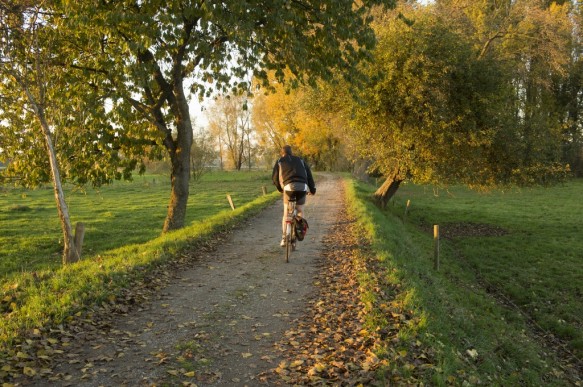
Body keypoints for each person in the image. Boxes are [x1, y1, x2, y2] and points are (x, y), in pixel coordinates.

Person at [272, 145, 316, 247]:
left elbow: (275, 178)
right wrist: (312, 190)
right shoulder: (300, 160)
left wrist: (280, 189)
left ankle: (284, 238)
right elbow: (309, 175)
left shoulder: (280, 161)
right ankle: (298, 231)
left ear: (282, 153)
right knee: (300, 210)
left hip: (288, 188)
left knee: (286, 212)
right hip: (302, 187)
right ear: (291, 152)